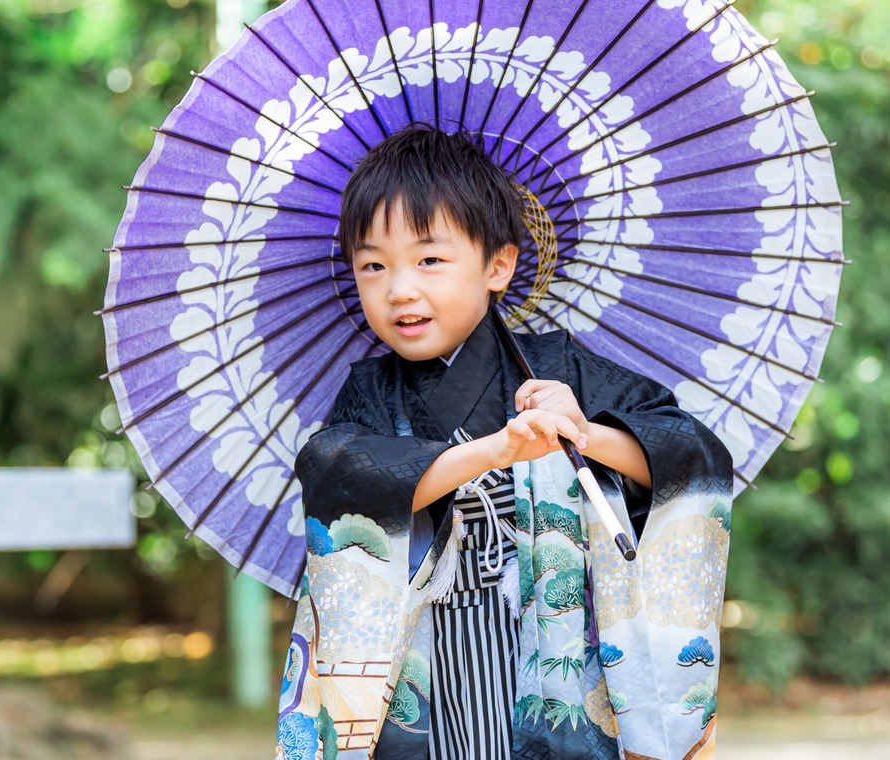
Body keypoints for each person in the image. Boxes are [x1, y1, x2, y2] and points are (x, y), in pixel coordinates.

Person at [275, 125, 733, 760]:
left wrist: (585, 432)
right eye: (372, 265)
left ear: (499, 265)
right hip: (424, 667)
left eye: (429, 259)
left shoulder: (559, 370)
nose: (399, 288)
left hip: (551, 646)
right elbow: (337, 473)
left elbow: (691, 456)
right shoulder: (371, 392)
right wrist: (494, 453)